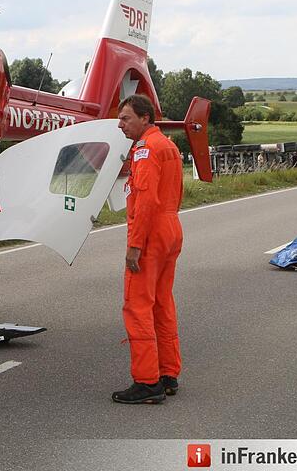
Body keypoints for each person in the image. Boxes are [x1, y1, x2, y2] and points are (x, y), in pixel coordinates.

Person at [112, 93, 183, 404]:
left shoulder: (145, 150)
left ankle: (146, 382)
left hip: (151, 232)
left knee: (138, 306)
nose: (120, 125)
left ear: (144, 118)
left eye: (125, 118)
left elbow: (145, 202)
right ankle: (168, 374)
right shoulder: (168, 145)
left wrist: (135, 246)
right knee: (162, 304)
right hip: (171, 228)